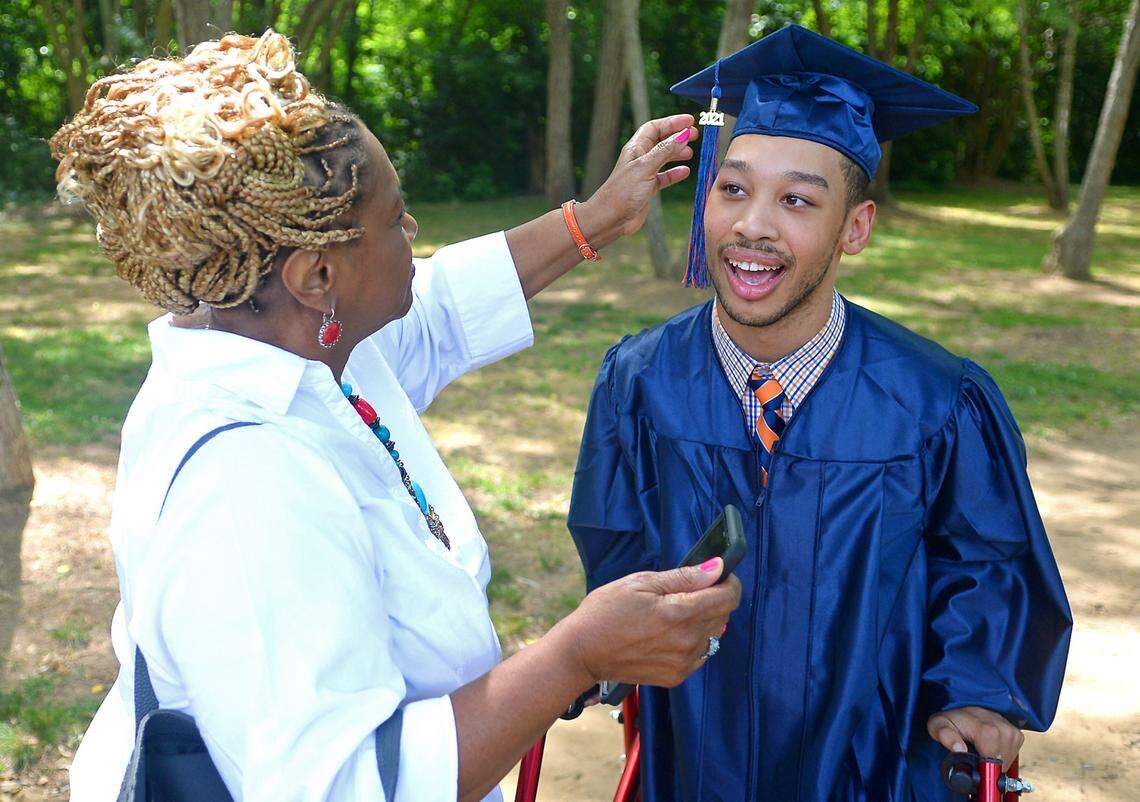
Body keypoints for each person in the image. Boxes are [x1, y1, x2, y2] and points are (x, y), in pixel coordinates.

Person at [51, 31, 742, 802]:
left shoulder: (291, 341)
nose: (412, 234)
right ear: (318, 276)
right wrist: (573, 657)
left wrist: (593, 220)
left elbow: (437, 309)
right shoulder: (246, 490)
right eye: (394, 219)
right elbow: (344, 786)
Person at [568, 24, 1072, 801]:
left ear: (856, 227)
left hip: (874, 762)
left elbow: (986, 561)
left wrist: (978, 689)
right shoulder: (638, 382)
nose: (753, 224)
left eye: (797, 200)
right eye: (732, 188)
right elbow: (615, 545)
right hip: (692, 756)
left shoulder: (938, 401)